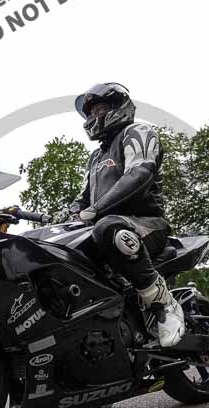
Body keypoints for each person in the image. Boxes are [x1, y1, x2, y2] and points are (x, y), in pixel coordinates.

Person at [59, 82, 184, 347]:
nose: (94, 116)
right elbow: (83, 198)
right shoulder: (96, 157)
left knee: (108, 228)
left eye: (100, 108)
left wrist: (96, 210)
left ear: (118, 107)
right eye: (91, 112)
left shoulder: (137, 132)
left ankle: (164, 303)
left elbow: (140, 171)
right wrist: (69, 214)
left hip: (146, 223)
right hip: (102, 229)